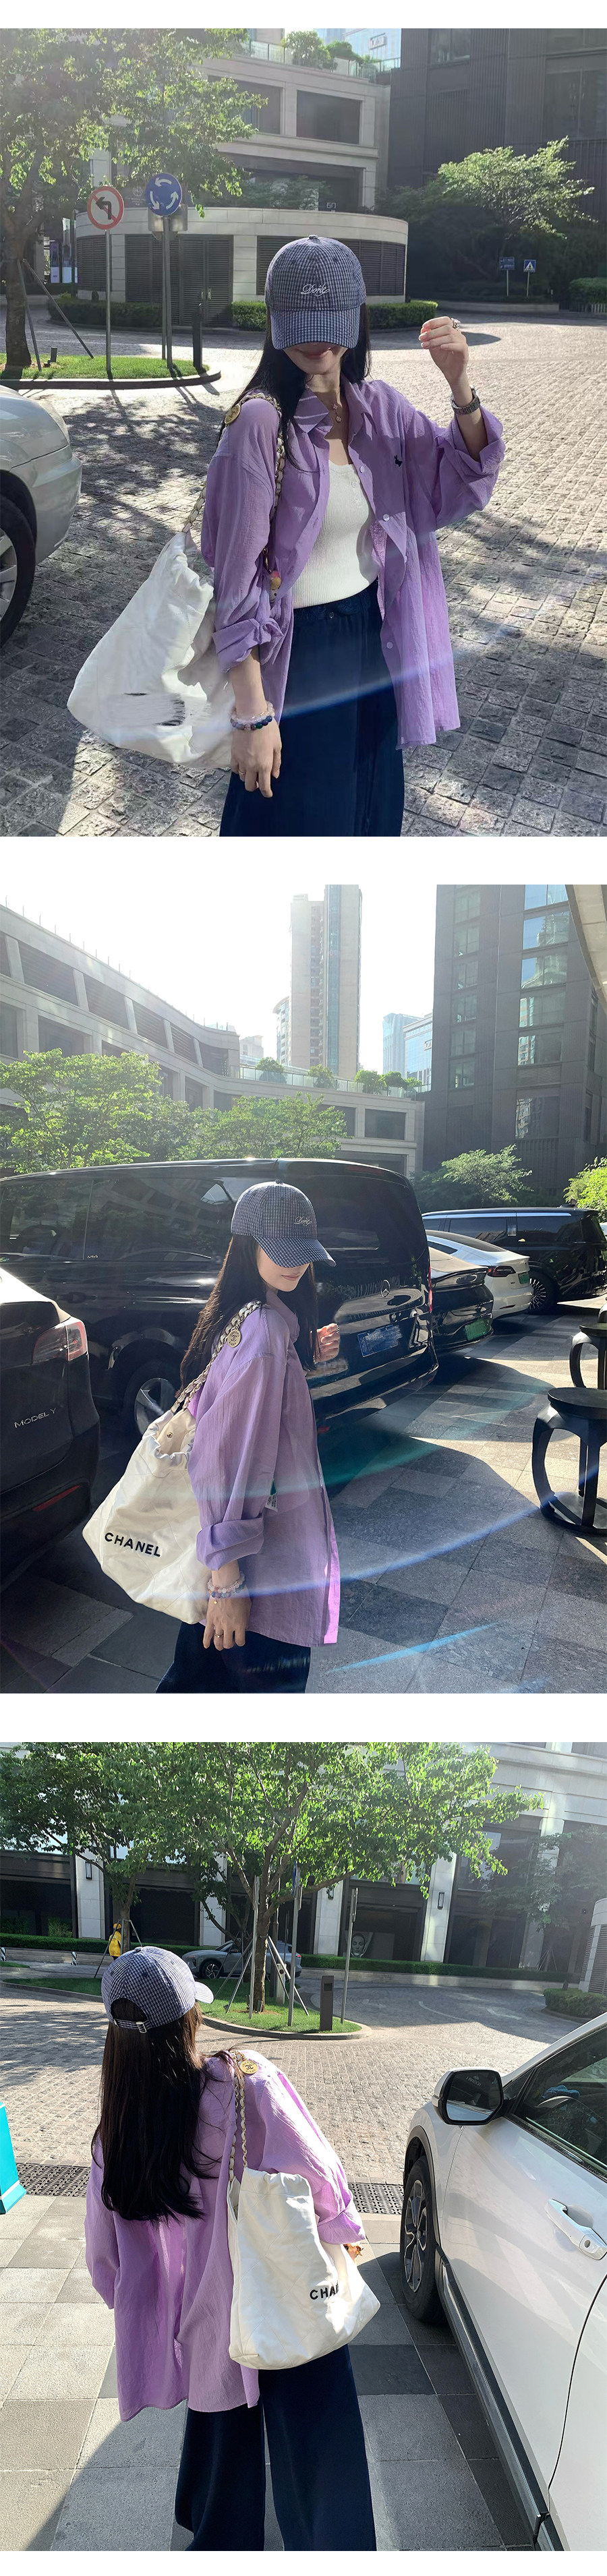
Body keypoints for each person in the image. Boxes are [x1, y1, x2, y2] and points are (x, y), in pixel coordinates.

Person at [198, 234, 505, 839]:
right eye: (301, 321)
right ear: (275, 321)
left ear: (356, 321)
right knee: (301, 826)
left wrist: (460, 385)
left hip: (375, 637)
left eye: (331, 321)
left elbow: (461, 481)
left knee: (370, 817)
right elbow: (236, 585)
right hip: (299, 654)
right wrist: (253, 715)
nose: (317, 340)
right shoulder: (260, 422)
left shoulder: (381, 410)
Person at [86, 1947, 376, 2552]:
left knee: (223, 2480)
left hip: (209, 2324)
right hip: (286, 2299)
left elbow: (105, 2263)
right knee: (324, 2468)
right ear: (189, 2020)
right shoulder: (248, 2084)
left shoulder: (116, 2136)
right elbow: (321, 2175)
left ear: (116, 2039)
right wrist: (342, 2230)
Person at [157, 1181, 340, 1696]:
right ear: (247, 1244)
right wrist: (228, 1584)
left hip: (248, 1566)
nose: (296, 1264)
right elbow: (225, 1459)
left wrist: (306, 1355)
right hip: (262, 1579)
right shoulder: (264, 1333)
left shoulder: (251, 1318)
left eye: (303, 1251)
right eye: (281, 1249)